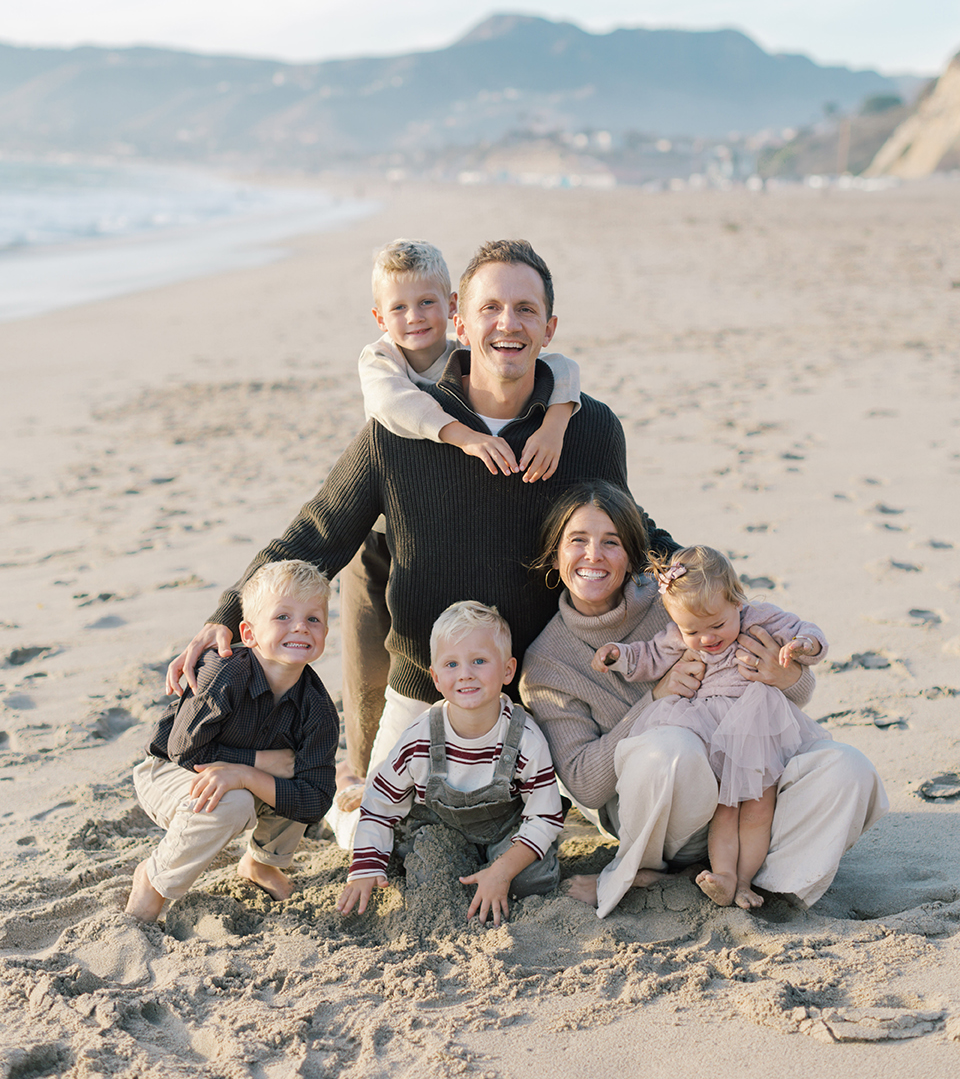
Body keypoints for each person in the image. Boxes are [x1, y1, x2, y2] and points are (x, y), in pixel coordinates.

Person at [165, 240, 675, 817]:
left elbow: (635, 534)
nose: (508, 324)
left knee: (610, 817)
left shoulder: (589, 427)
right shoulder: (399, 428)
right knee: (371, 838)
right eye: (490, 308)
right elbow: (315, 536)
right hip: (425, 684)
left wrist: (717, 594)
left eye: (526, 310)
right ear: (460, 319)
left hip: (546, 686)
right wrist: (226, 612)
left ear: (549, 328)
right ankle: (346, 784)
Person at [519, 482, 889, 919]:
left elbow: (798, 694)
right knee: (671, 749)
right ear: (555, 553)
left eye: (611, 542)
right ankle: (660, 869)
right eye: (577, 541)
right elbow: (583, 783)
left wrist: (782, 672)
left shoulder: (681, 600)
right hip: (666, 820)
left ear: (634, 552)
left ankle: (761, 882)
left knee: (849, 769)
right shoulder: (547, 661)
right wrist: (654, 699)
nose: (594, 555)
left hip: (750, 786)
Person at [338, 238, 581, 814]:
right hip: (379, 524)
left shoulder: (466, 350)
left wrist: (557, 419)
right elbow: (397, 410)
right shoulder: (381, 363)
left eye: (426, 305)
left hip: (437, 516)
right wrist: (464, 436)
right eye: (398, 309)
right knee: (370, 647)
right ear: (379, 317)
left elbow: (563, 367)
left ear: (450, 310)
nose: (413, 319)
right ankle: (358, 764)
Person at [592, 546, 829, 909]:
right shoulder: (677, 635)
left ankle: (746, 881)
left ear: (737, 601)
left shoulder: (757, 618)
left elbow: (801, 628)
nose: (707, 639)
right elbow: (650, 656)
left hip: (756, 727)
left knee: (758, 809)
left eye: (717, 625)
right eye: (693, 631)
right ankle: (725, 877)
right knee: (725, 810)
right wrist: (620, 656)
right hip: (708, 728)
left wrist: (804, 644)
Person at [126, 560, 338, 921]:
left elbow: (316, 798)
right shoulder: (223, 671)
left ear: (325, 632)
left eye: (313, 619)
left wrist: (245, 774)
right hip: (168, 771)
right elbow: (184, 748)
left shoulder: (318, 708)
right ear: (249, 633)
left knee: (295, 780)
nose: (300, 626)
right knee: (234, 801)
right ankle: (153, 880)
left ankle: (262, 864)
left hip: (229, 777)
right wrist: (259, 764)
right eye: (283, 617)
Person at [337, 601, 562, 927]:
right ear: (436, 677)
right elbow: (380, 804)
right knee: (423, 872)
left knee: (532, 882)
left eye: (480, 661)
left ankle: (494, 869)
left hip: (505, 833)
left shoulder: (525, 738)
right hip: (440, 829)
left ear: (508, 670)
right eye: (452, 664)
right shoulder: (420, 738)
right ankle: (348, 785)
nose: (466, 674)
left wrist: (502, 871)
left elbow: (546, 816)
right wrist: (364, 868)